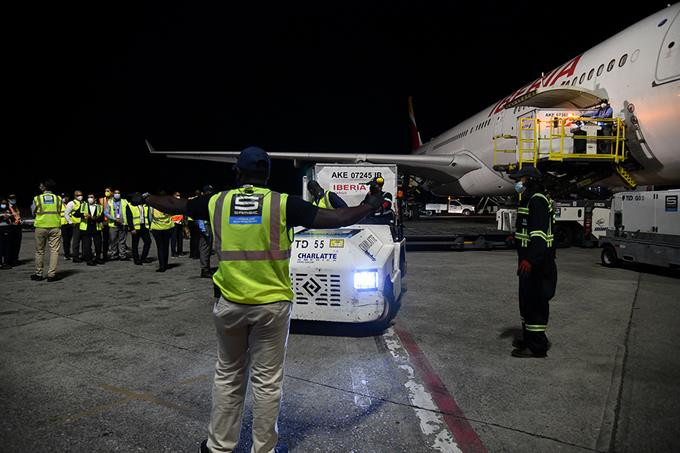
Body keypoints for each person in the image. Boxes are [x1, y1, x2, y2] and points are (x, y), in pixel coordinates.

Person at [132, 146, 386, 453]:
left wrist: (145, 197)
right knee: (267, 382)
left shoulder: (217, 202)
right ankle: (264, 448)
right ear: (266, 175)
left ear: (238, 172)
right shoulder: (282, 204)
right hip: (272, 306)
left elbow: (175, 203)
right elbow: (338, 217)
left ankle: (218, 447)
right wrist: (369, 204)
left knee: (228, 375)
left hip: (230, 303)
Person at [509, 166, 557, 358]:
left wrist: (530, 259)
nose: (517, 183)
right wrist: (516, 238)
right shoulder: (531, 199)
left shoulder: (537, 200)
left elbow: (539, 236)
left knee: (535, 303)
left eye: (519, 179)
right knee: (527, 302)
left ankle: (537, 347)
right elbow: (529, 229)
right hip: (530, 260)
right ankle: (529, 338)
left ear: (528, 180)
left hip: (537, 263)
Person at [31, 180, 62, 281]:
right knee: (54, 251)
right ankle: (51, 275)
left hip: (41, 226)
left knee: (40, 251)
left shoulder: (37, 198)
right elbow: (59, 210)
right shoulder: (58, 198)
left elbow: (33, 211)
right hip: (55, 226)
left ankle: (38, 274)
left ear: (44, 187)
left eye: (41, 185)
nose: (40, 186)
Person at [79, 194, 105, 266]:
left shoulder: (100, 207)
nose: (89, 199)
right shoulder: (83, 205)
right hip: (86, 228)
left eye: (91, 197)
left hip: (96, 227)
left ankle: (98, 258)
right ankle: (89, 260)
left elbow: (102, 217)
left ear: (95, 199)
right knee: (87, 245)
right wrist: (84, 216)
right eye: (88, 197)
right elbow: (76, 214)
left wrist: (95, 218)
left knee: (98, 244)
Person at [149, 198, 174, 272]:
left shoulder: (152, 206)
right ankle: (165, 264)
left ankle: (162, 266)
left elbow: (150, 217)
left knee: (160, 248)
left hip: (157, 229)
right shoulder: (168, 206)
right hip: (167, 227)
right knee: (166, 247)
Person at [125, 201, 153, 265]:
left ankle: (143, 258)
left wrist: (149, 226)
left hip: (144, 226)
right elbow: (129, 217)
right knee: (135, 244)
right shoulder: (130, 205)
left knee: (148, 242)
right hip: (136, 227)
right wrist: (132, 228)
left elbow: (148, 216)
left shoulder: (145, 205)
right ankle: (136, 259)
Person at [106, 189, 129, 260]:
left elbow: (128, 212)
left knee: (122, 241)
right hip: (113, 224)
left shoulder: (125, 201)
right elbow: (106, 212)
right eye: (116, 193)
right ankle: (114, 255)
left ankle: (122, 255)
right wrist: (113, 219)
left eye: (118, 193)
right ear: (113, 194)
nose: (117, 194)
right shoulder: (110, 202)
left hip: (123, 224)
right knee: (113, 241)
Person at [198, 185, 214, 278]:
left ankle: (206, 268)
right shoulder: (202, 201)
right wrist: (203, 229)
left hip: (208, 225)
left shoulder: (208, 200)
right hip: (205, 225)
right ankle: (204, 270)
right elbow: (199, 217)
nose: (210, 193)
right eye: (208, 191)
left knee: (208, 247)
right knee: (205, 247)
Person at [63, 190, 84, 262]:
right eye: (78, 195)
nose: (80, 196)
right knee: (76, 241)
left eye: (81, 195)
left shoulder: (83, 203)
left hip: (83, 224)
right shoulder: (71, 203)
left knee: (84, 241)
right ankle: (75, 257)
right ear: (75, 196)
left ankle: (84, 255)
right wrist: (70, 222)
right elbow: (66, 214)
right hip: (76, 225)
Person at [7, 193, 22, 266]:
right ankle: (10, 260)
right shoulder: (7, 207)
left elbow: (17, 215)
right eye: (12, 199)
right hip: (11, 227)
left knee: (17, 244)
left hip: (18, 226)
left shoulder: (15, 206)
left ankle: (15, 259)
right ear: (8, 200)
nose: (13, 200)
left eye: (14, 198)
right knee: (11, 244)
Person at [99, 187, 114, 260]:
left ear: (112, 192)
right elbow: (100, 211)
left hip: (112, 221)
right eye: (105, 191)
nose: (106, 192)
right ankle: (105, 254)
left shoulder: (115, 200)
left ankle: (113, 252)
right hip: (104, 222)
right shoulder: (101, 200)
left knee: (113, 238)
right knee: (105, 239)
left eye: (108, 191)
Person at [170, 192, 185, 257]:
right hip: (174, 223)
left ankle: (180, 252)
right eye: (177, 195)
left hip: (180, 223)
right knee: (174, 239)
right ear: (173, 196)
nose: (179, 196)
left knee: (180, 238)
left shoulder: (180, 203)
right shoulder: (171, 204)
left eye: (179, 195)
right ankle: (173, 253)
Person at [188, 189, 202, 259]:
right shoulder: (200, 200)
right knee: (197, 238)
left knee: (192, 238)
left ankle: (191, 253)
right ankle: (196, 254)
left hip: (190, 220)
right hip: (197, 220)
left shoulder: (190, 199)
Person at [0, 198, 13, 269]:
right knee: (1, 246)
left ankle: (6, 262)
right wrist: (2, 217)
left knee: (7, 247)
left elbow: (13, 217)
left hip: (7, 229)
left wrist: (8, 217)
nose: (3, 205)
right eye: (2, 203)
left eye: (5, 204)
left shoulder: (8, 209)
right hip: (0, 229)